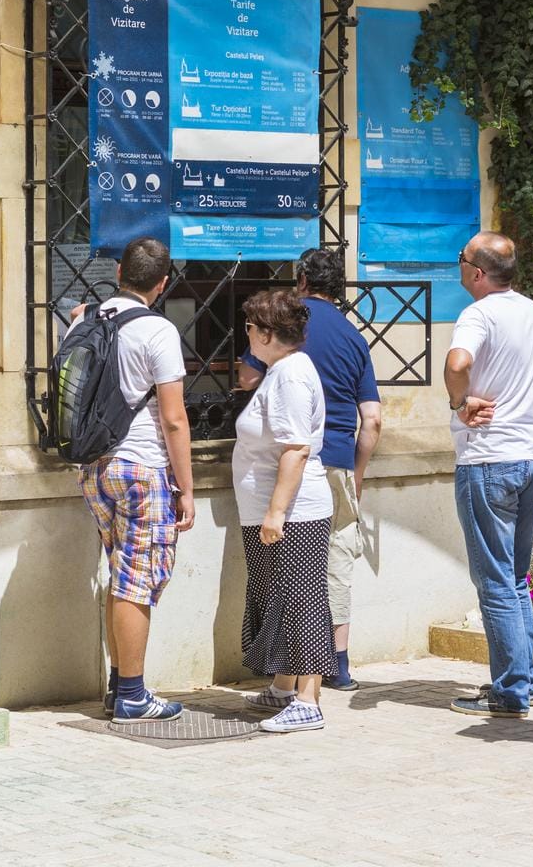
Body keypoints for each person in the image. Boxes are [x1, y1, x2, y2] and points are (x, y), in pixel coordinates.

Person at [239, 250, 383, 691]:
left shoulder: (284, 334)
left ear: (301, 279)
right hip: (338, 459)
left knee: (294, 583)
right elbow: (372, 418)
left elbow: (246, 380)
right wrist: (357, 473)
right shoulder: (353, 337)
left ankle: (303, 689)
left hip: (292, 471)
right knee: (335, 565)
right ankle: (337, 665)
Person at [71, 237, 196, 722]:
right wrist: (186, 488)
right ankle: (133, 695)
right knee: (136, 582)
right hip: (142, 466)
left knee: (120, 574)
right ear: (162, 284)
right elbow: (174, 419)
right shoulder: (157, 330)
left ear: (120, 271)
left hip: (94, 467)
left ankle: (117, 685)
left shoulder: (84, 318)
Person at [445, 232, 533, 718]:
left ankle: (511, 690)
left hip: (488, 458)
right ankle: (526, 682)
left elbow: (457, 363)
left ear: (477, 272)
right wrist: (531, 429)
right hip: (532, 457)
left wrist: (460, 401)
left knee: (494, 580)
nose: (458, 264)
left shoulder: (478, 314)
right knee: (514, 578)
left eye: (461, 258)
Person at [232, 289, 336, 733]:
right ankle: (282, 686)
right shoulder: (281, 371)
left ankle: (308, 700)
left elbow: (296, 448)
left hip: (295, 512)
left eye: (250, 327)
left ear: (267, 333)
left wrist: (276, 512)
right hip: (271, 509)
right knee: (277, 596)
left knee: (301, 598)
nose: (247, 334)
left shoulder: (291, 375)